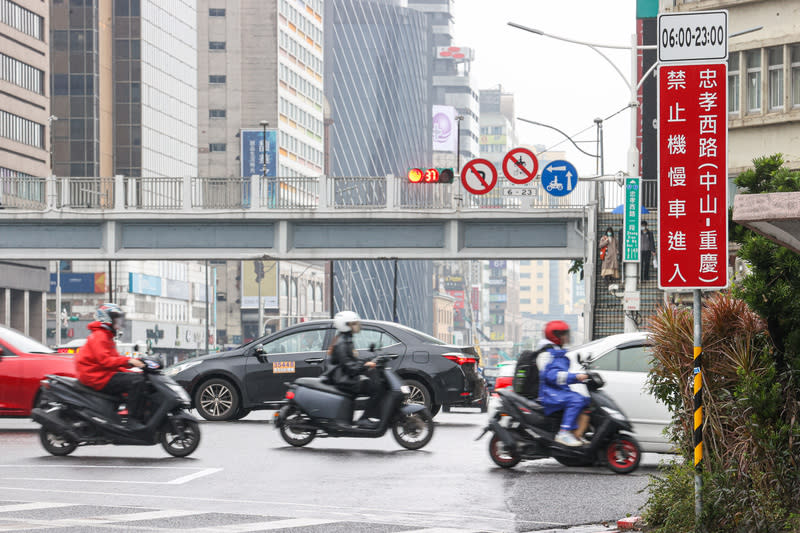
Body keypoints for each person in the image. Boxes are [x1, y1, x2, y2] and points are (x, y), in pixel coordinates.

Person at [74, 303, 146, 421]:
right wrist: (129, 361)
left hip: (102, 374)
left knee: (137, 377)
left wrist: (133, 369)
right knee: (136, 381)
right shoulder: (99, 336)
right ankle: (131, 415)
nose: (118, 323)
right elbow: (106, 361)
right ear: (107, 319)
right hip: (95, 376)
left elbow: (114, 363)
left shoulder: (106, 336)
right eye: (116, 319)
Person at [537, 320, 590, 447]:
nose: (567, 337)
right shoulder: (547, 354)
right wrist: (575, 377)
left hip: (557, 390)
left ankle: (575, 433)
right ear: (556, 336)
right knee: (576, 399)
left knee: (585, 400)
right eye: (564, 334)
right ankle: (564, 432)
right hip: (549, 393)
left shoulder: (557, 352)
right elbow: (551, 376)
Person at [327, 311, 382, 428]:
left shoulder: (346, 339)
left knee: (372, 384)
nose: (357, 326)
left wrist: (366, 363)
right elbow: (349, 366)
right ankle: (364, 419)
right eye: (354, 324)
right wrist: (365, 366)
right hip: (342, 378)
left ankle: (365, 417)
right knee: (375, 388)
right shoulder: (342, 343)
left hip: (344, 375)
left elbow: (352, 361)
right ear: (346, 325)